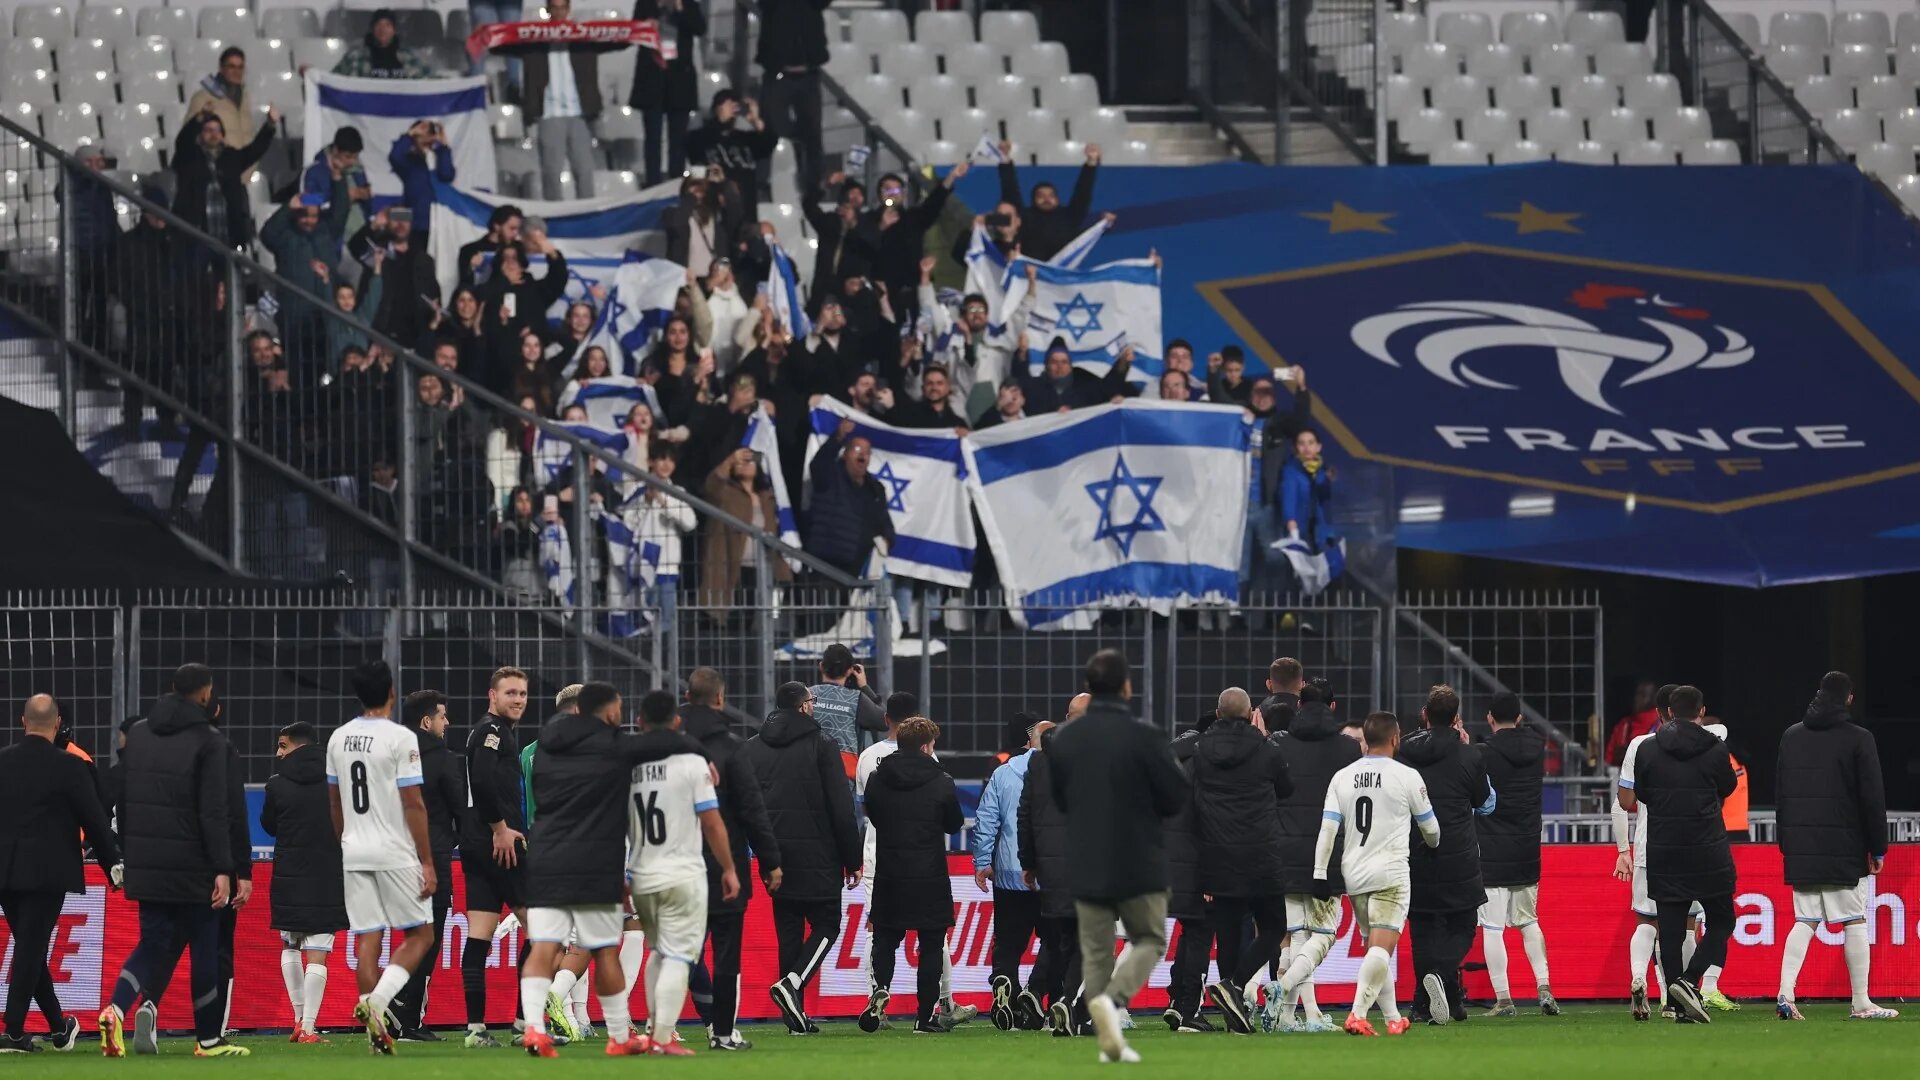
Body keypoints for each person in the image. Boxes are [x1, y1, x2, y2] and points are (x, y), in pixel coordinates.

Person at [518, 685, 710, 1057]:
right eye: (619, 709)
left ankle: (533, 1030)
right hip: (594, 858)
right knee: (604, 949)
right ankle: (620, 1037)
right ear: (606, 713)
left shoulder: (542, 748)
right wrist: (703, 753)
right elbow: (660, 743)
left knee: (544, 945)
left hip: (545, 854)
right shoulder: (612, 746)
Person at [1045, 650, 1189, 1064]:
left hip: (1086, 857)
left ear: (1090, 687)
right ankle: (1113, 1000)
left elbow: (1060, 798)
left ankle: (1105, 1036)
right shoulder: (1145, 735)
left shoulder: (1066, 739)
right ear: (1126, 686)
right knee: (1148, 939)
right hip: (1140, 858)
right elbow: (1176, 794)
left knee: (1095, 950)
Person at [100, 664, 245, 1058]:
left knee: (152, 943)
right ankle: (208, 1040)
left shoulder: (141, 735)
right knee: (204, 944)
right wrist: (222, 868)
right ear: (205, 693)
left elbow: (125, 802)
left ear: (171, 689)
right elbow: (215, 812)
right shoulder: (209, 741)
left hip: (146, 861)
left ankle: (115, 1009)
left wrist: (131, 855)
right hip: (194, 864)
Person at [737, 681, 861, 1034]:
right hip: (819, 855)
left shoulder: (752, 749)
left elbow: (747, 807)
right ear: (805, 706)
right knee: (827, 924)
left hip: (773, 857)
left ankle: (795, 1017)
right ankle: (791, 985)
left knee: (788, 934)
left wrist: (761, 850)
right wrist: (852, 858)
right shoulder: (822, 745)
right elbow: (841, 808)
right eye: (813, 701)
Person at [0, 695, 120, 1054]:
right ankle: (14, 1033)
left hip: (4, 870)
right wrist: (112, 866)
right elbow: (94, 821)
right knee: (31, 947)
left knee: (29, 947)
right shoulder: (70, 765)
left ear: (23, 721)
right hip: (48, 871)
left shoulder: (2, 762)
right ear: (56, 724)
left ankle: (57, 1026)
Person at [1774, 672, 1896, 1021]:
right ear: (1849, 699)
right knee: (1854, 920)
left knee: (1805, 919)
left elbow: (1781, 793)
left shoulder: (1791, 736)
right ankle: (1861, 1002)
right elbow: (1872, 797)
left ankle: (1785, 992)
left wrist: (1787, 841)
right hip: (1844, 844)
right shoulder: (1859, 738)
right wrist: (1879, 847)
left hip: (1801, 845)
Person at [1314, 711, 1440, 1036]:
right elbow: (1433, 831)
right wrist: (1429, 841)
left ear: (1365, 740)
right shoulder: (1407, 776)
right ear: (1396, 739)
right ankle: (1357, 1014)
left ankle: (1393, 1018)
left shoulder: (1342, 777)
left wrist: (1318, 872)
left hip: (1354, 874)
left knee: (1375, 949)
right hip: (1391, 874)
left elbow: (1328, 830)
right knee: (1382, 950)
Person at [1619, 684, 1736, 1026]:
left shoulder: (1647, 749)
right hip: (1707, 847)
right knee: (1722, 919)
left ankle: (1675, 999)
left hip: (1663, 847)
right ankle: (1689, 981)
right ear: (1701, 712)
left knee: (1668, 930)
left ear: (1669, 711)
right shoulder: (1714, 748)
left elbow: (1641, 794)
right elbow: (1728, 787)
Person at [676, 669, 781, 1050]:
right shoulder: (731, 746)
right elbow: (752, 809)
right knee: (726, 954)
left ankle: (660, 1029)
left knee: (676, 953)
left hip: (672, 864)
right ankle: (722, 1032)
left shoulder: (665, 745)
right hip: (724, 867)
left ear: (687, 696)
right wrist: (771, 862)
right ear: (720, 699)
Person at [1188, 689, 1294, 1035]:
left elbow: (1193, 799)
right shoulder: (1266, 749)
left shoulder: (1201, 750)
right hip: (1260, 852)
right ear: (1252, 714)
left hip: (1217, 854)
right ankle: (1233, 985)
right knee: (1274, 927)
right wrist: (1263, 737)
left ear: (1218, 715)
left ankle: (1232, 1002)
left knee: (1229, 932)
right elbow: (1287, 788)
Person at [1262, 677, 1360, 1032]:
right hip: (1328, 855)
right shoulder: (1349, 749)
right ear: (1333, 707)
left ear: (1299, 705)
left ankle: (1290, 1016)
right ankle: (1285, 994)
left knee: (1297, 933)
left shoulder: (1277, 744)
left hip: (1283, 850)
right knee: (1321, 934)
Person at [858, 717, 963, 1034]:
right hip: (928, 873)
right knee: (931, 944)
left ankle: (881, 992)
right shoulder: (941, 780)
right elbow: (954, 824)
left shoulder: (878, 778)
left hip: (890, 871)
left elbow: (872, 815)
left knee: (886, 939)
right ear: (926, 746)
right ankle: (924, 1018)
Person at [1397, 685, 1493, 1026]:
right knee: (1463, 924)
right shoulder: (1470, 755)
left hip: (1414, 850)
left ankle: (1428, 1005)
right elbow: (1485, 802)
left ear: (1424, 715)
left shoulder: (1402, 753)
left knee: (1422, 928)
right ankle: (1440, 978)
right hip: (1458, 853)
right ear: (1456, 719)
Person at [260, 721, 347, 1044]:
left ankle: (299, 1020)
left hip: (288, 874)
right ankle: (309, 1027)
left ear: (297, 745)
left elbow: (269, 825)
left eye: (282, 746)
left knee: (290, 944)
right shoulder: (337, 780)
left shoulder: (277, 784)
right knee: (318, 952)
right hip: (328, 874)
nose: (277, 752)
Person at [460, 666, 531, 1047]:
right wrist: (500, 828)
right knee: (543, 931)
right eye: (511, 693)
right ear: (493, 695)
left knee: (479, 935)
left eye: (522, 693)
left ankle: (475, 1030)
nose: (518, 699)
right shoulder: (491, 730)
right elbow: (482, 779)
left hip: (475, 844)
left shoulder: (490, 730)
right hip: (498, 844)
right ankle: (525, 1024)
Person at [387, 691, 465, 1041]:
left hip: (394, 860)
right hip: (432, 860)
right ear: (426, 721)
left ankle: (398, 1007)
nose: (446, 723)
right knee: (429, 941)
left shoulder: (391, 759)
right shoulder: (446, 761)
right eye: (443, 716)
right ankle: (406, 1014)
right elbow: (461, 811)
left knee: (411, 938)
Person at [1477, 692, 1558, 1017]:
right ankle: (1544, 985)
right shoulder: (1537, 748)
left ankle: (1504, 999)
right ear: (1521, 718)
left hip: (1493, 847)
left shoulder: (1483, 753)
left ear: (1490, 718)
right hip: (1527, 847)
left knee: (1493, 927)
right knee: (1528, 921)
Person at [972, 713, 1049, 1032]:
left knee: (1008, 943)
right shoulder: (1065, 773)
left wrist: (981, 862)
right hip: (1051, 874)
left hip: (1008, 873)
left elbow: (985, 820)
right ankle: (1037, 994)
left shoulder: (1003, 773)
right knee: (1057, 942)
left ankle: (1006, 984)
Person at [1613, 683, 1675, 1019]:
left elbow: (1622, 802)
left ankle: (1639, 975)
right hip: (1690, 848)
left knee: (1647, 920)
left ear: (1659, 713)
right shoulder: (1707, 743)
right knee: (1687, 924)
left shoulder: (1640, 745)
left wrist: (1623, 849)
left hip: (1650, 846)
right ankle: (1675, 996)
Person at [1017, 708, 1079, 1035]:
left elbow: (1025, 814)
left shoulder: (1036, 764)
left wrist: (1028, 862)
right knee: (1087, 941)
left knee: (1058, 937)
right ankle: (1068, 1002)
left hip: (1050, 868)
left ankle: (1036, 988)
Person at [516, 0, 604, 200]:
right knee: (551, 173)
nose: (559, 12)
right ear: (548, 10)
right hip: (549, 113)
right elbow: (507, 47)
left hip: (578, 113)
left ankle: (587, 215)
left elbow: (615, 40)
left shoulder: (582, 38)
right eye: (554, 8)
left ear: (568, 9)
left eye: (562, 7)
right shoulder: (535, 41)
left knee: (584, 170)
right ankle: (556, 217)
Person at [1158, 712, 1209, 1034]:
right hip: (1196, 863)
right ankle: (1188, 1007)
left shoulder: (1165, 761)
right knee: (1200, 933)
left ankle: (1177, 1000)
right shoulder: (1206, 767)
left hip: (1159, 863)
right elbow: (1209, 819)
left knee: (1144, 938)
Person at [170, 108, 279, 252]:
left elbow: (255, 150)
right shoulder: (188, 157)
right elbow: (182, 141)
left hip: (228, 238)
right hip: (195, 238)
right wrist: (197, 119)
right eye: (208, 130)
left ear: (222, 135)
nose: (213, 134)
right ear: (200, 134)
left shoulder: (231, 157)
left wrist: (269, 125)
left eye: (217, 130)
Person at [628, 0, 707, 186]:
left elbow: (700, 28)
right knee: (653, 139)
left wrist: (679, 7)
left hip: (679, 81)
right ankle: (653, 184)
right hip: (652, 80)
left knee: (678, 140)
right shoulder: (645, 4)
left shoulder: (688, 4)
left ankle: (675, 185)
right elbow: (635, 30)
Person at [806, 423, 896, 583]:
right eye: (856, 450)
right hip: (826, 568)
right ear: (845, 454)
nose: (862, 455)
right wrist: (838, 437)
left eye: (867, 452)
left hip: (860, 570)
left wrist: (888, 539)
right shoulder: (831, 476)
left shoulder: (875, 489)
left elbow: (884, 521)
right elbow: (818, 464)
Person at [755, 0, 830, 190]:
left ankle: (813, 187)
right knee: (772, 131)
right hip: (777, 73)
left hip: (809, 73)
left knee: (812, 134)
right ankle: (766, 183)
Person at [998, 141, 1100, 261]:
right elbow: (1010, 190)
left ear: (1057, 199)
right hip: (1029, 275)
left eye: (1051, 195)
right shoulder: (1024, 217)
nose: (1046, 199)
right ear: (1034, 199)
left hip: (1060, 276)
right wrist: (1005, 159)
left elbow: (1083, 192)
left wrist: (1091, 163)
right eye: (1041, 196)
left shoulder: (1070, 217)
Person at [685, 90, 777, 213]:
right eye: (728, 104)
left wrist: (755, 120)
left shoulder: (745, 139)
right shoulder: (698, 138)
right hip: (718, 207)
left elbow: (769, 143)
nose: (733, 108)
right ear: (717, 108)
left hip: (747, 208)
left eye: (735, 105)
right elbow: (695, 169)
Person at [811, 641, 888, 779]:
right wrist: (865, 687)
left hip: (810, 775)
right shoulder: (856, 699)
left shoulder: (808, 695)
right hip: (844, 779)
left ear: (821, 666)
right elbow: (884, 721)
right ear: (849, 671)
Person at [389, 122, 456, 241]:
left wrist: (444, 146)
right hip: (416, 224)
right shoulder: (409, 163)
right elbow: (395, 156)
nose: (425, 139)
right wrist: (409, 134)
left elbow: (447, 175)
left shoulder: (439, 157)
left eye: (428, 135)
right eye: (421, 136)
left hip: (440, 222)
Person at [335, 9, 437, 78]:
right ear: (372, 29)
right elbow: (332, 80)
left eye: (387, 25)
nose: (382, 29)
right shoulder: (355, 57)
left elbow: (432, 81)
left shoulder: (407, 57)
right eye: (378, 24)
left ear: (394, 30)